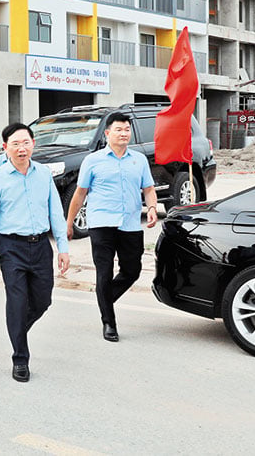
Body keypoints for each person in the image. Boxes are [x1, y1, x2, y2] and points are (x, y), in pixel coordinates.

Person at [0, 122, 70, 382]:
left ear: (33, 144)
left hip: (41, 246)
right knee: (17, 303)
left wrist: (63, 247)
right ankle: (20, 357)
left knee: (43, 301)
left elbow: (55, 211)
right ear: (5, 148)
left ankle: (18, 329)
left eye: (26, 142)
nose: (22, 148)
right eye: (15, 144)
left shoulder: (43, 174)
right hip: (11, 247)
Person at [66, 112, 157, 343]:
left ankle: (104, 298)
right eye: (119, 129)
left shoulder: (139, 160)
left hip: (130, 224)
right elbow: (80, 193)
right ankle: (109, 322)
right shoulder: (93, 160)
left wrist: (153, 208)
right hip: (101, 224)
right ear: (107, 133)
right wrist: (69, 222)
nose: (124, 133)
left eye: (127, 129)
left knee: (132, 271)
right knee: (104, 273)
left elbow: (148, 188)